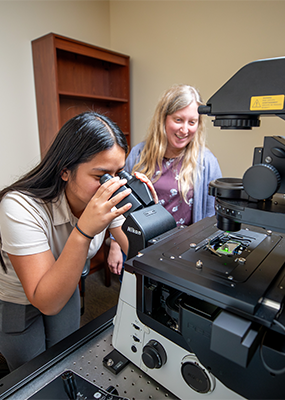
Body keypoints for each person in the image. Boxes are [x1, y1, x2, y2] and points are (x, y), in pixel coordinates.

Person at [0, 111, 156, 372]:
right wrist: (84, 230)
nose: (112, 185)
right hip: (18, 299)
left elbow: (145, 255)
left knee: (67, 354)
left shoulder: (106, 198)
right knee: (33, 370)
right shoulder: (19, 206)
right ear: (65, 170)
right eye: (101, 176)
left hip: (66, 282)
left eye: (118, 173)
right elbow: (45, 300)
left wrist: (148, 211)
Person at [107, 84, 222, 275]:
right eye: (178, 120)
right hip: (137, 247)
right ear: (163, 119)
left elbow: (212, 216)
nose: (185, 129)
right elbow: (118, 203)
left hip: (185, 254)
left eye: (192, 122)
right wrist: (115, 245)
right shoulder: (138, 154)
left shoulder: (207, 162)